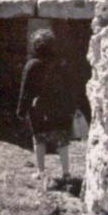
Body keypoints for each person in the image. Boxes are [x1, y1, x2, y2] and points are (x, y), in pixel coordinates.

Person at [17, 28, 77, 191]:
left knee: (39, 139)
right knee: (62, 139)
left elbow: (26, 90)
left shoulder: (32, 65)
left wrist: (21, 110)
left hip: (39, 108)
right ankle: (66, 173)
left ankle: (41, 171)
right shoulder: (62, 63)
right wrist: (71, 106)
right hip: (60, 107)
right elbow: (70, 86)